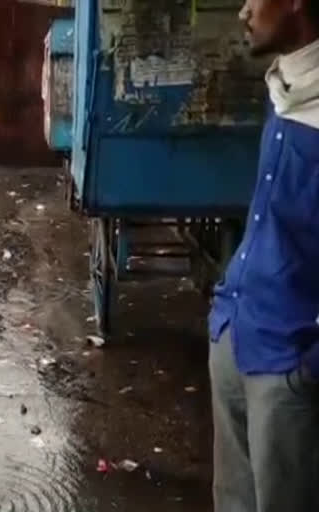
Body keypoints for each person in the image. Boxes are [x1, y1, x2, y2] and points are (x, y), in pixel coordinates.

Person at [208, 1, 319, 511]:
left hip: (288, 361)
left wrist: (308, 367)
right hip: (237, 329)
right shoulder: (286, 89)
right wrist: (224, 312)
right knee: (233, 500)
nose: (244, 11)